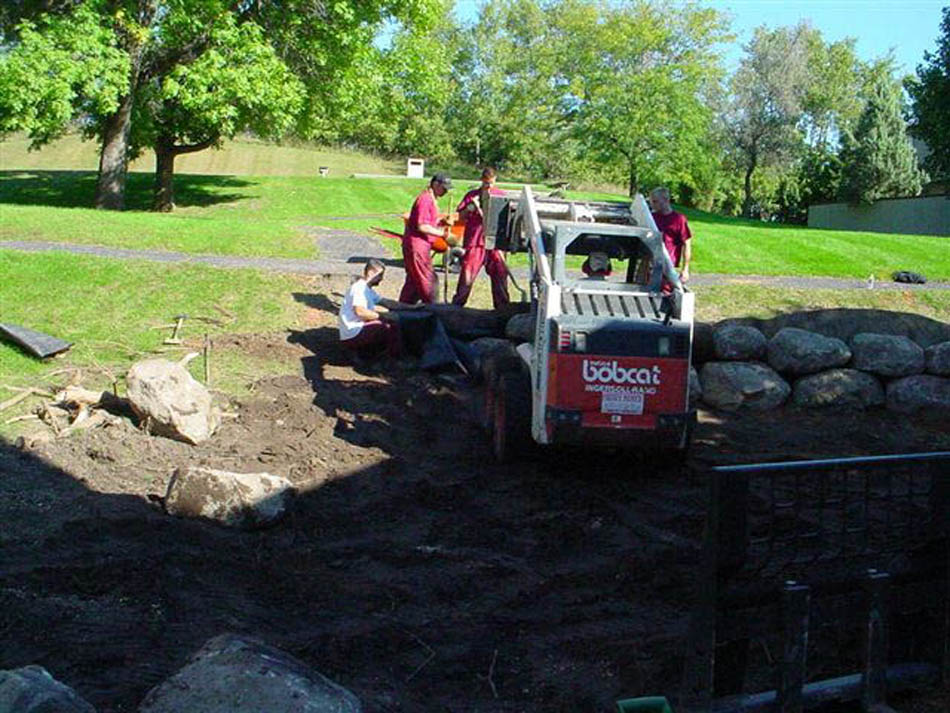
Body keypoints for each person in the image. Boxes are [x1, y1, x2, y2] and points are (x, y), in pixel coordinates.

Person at [451, 167, 510, 309]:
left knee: (500, 274)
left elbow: (507, 218)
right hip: (475, 241)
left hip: (494, 243)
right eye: (485, 183)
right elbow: (460, 216)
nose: (488, 186)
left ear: (495, 180)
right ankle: (457, 306)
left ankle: (502, 308)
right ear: (481, 180)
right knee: (467, 274)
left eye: (490, 183)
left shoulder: (500, 196)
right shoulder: (472, 196)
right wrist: (470, 208)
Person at [399, 173, 454, 304]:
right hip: (417, 246)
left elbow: (429, 222)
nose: (446, 191)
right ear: (435, 184)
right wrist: (444, 234)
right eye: (444, 188)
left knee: (413, 282)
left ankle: (402, 309)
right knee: (428, 280)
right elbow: (422, 226)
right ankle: (433, 311)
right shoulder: (425, 199)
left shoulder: (431, 199)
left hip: (418, 246)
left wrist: (442, 222)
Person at [339, 259, 404, 359]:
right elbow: (360, 312)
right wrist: (384, 316)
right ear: (370, 273)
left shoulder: (367, 289)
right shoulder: (359, 289)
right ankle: (394, 359)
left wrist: (412, 307)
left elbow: (386, 302)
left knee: (388, 323)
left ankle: (370, 353)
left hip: (355, 331)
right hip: (353, 334)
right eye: (380, 275)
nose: (381, 279)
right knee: (389, 326)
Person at [649, 186, 692, 286]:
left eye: (655, 202)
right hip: (651, 263)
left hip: (669, 265)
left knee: (667, 295)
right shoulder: (651, 217)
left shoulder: (678, 219)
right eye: (651, 201)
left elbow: (687, 244)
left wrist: (685, 269)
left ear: (666, 200)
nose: (652, 205)